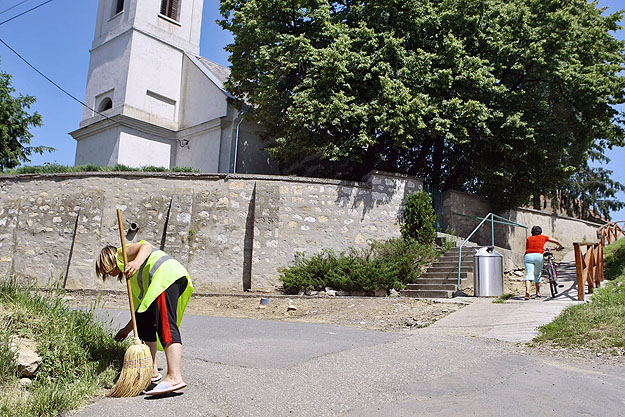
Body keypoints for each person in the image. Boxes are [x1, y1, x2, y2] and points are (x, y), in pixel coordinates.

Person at [95, 240, 193, 395]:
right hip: (159, 283)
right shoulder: (131, 279)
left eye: (104, 269)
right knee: (145, 323)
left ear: (108, 259)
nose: (106, 274)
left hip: (165, 277)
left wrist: (135, 263)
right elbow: (139, 310)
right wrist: (127, 330)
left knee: (165, 326)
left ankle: (174, 376)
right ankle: (152, 372)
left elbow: (146, 246)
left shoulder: (121, 254)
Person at [523, 226, 563, 300]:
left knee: (529, 274)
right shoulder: (543, 237)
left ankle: (527, 291)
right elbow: (556, 241)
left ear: (532, 232)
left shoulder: (529, 238)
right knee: (537, 273)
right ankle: (537, 292)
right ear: (540, 232)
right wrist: (560, 246)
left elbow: (528, 248)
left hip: (528, 256)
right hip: (538, 256)